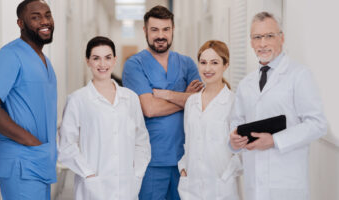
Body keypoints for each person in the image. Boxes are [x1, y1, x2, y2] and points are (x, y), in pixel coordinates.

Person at [229, 11, 327, 200]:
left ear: (281, 38)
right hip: (254, 186)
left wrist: (275, 141)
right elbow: (236, 123)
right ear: (251, 42)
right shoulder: (245, 84)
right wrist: (233, 141)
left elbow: (317, 124)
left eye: (269, 36)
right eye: (257, 37)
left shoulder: (299, 75)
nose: (263, 43)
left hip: (286, 184)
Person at [0, 0, 57, 199]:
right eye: (35, 17)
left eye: (47, 15)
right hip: (21, 162)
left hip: (39, 159)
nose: (44, 21)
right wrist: (31, 142)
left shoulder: (45, 61)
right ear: (20, 24)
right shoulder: (10, 55)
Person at [122, 5, 203, 200]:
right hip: (150, 160)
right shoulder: (134, 65)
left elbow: (200, 103)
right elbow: (149, 108)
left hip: (185, 158)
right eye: (155, 30)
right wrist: (185, 97)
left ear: (173, 30)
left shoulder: (187, 63)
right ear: (145, 31)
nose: (161, 35)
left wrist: (166, 94)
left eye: (166, 29)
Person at [58, 36, 151, 200]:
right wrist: (88, 174)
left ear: (115, 60)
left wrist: (137, 174)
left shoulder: (130, 98)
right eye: (96, 58)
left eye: (107, 58)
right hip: (93, 188)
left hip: (127, 186)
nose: (102, 64)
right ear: (88, 61)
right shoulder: (78, 99)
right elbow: (66, 145)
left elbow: (141, 140)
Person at [177, 40, 242, 200]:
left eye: (214, 63)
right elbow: (189, 142)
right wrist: (184, 169)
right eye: (203, 62)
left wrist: (225, 176)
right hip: (191, 187)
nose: (207, 68)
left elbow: (242, 150)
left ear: (225, 65)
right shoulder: (192, 102)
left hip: (221, 187)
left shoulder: (234, 102)